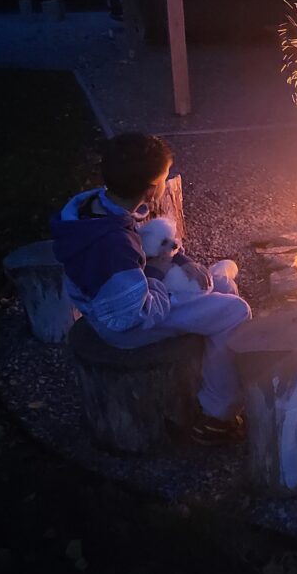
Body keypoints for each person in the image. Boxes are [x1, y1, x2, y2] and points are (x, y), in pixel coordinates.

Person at [51, 133, 251, 444]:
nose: (166, 181)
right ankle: (217, 417)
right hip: (123, 327)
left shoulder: (97, 205)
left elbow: (147, 239)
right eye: (164, 178)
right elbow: (132, 314)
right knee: (235, 311)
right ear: (150, 189)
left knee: (220, 282)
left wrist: (180, 259)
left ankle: (221, 374)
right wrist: (158, 273)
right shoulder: (113, 246)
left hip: (131, 294)